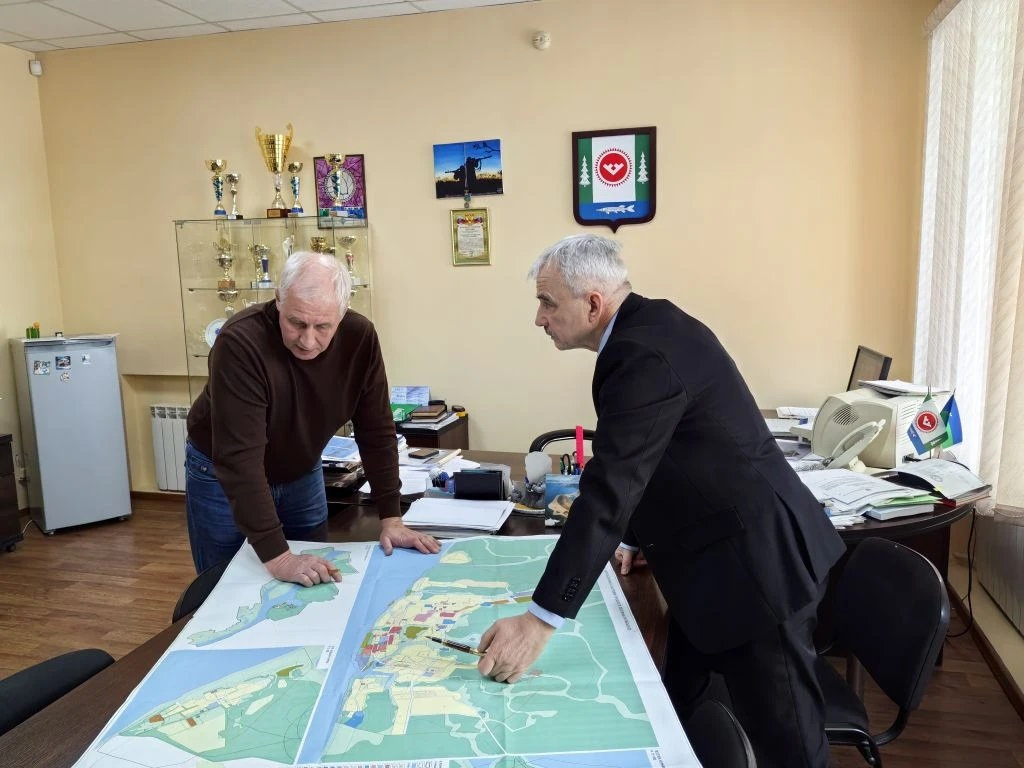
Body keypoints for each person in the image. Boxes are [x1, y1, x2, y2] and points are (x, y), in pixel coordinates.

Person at [476, 234, 845, 768]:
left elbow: (611, 487)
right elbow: (656, 457)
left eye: (547, 303)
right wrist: (634, 536)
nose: (539, 318)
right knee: (674, 715)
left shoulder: (640, 353)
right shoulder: (652, 324)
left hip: (758, 574)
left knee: (789, 752)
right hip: (715, 562)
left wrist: (540, 621)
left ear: (593, 304)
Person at [185, 251, 439, 586]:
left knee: (312, 579)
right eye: (296, 323)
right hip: (222, 472)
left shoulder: (360, 337)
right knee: (224, 586)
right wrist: (280, 558)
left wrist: (391, 519)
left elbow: (376, 429)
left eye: (322, 327)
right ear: (278, 300)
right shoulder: (240, 342)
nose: (308, 341)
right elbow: (240, 460)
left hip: (300, 469)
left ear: (342, 313)